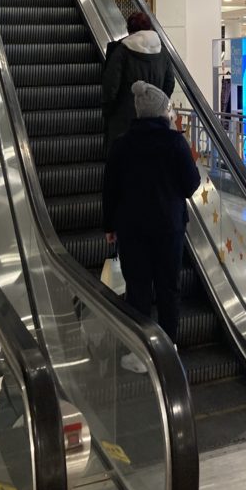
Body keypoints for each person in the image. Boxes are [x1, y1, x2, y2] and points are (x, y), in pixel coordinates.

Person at [103, 80, 201, 372]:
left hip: (132, 230)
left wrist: (110, 225)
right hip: (168, 228)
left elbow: (111, 189)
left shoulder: (122, 145)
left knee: (138, 289)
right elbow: (191, 185)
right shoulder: (174, 142)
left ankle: (140, 352)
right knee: (169, 288)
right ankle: (168, 346)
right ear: (162, 112)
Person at [102, 11, 175, 153]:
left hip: (124, 122)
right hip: (155, 121)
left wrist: (108, 112)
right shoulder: (163, 52)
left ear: (129, 30)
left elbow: (110, 88)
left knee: (125, 165)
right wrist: (157, 106)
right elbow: (169, 83)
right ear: (149, 28)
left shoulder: (121, 52)